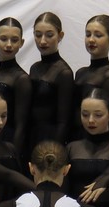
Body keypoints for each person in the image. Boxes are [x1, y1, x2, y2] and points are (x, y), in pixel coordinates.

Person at [27, 12, 74, 162]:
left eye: (49, 35)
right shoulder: (34, 68)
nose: (42, 41)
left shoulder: (64, 72)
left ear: (60, 36)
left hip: (51, 138)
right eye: (38, 35)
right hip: (31, 135)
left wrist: (53, 150)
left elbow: (64, 121)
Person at [0, 17, 32, 152]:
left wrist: (13, 154)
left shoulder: (21, 79)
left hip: (8, 142)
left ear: (22, 43)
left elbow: (21, 125)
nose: (9, 44)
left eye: (14, 40)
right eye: (4, 39)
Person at [72, 15, 109, 140]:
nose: (91, 40)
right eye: (88, 34)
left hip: (98, 143)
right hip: (77, 139)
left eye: (98, 35)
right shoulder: (80, 73)